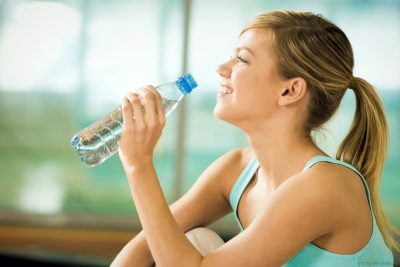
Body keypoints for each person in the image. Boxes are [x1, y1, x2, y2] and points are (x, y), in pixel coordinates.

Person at [111, 10, 399, 266]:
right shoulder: (236, 170)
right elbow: (144, 246)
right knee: (195, 239)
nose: (222, 68)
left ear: (290, 91)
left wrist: (139, 165)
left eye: (241, 59)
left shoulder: (325, 185)